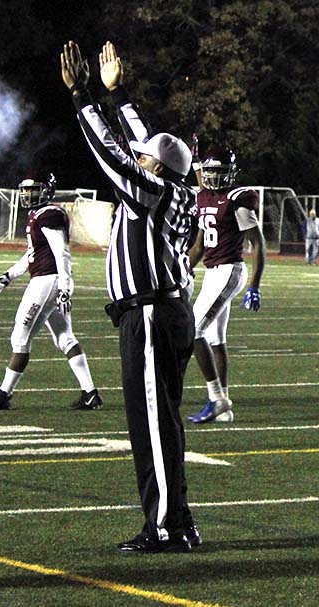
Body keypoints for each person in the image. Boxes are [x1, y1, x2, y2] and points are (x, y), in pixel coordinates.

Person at [62, 40, 198, 553]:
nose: (137, 157)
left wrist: (82, 97)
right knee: (162, 422)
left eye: (145, 159)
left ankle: (164, 525)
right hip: (166, 310)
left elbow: (112, 153)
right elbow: (143, 143)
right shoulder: (171, 185)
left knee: (151, 426)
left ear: (156, 168)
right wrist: (118, 95)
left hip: (149, 314)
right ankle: (177, 519)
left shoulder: (151, 190)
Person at [0, 172, 102, 411]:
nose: (27, 195)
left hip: (47, 282)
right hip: (46, 279)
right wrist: (9, 275)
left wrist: (65, 287)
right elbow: (32, 253)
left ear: (47, 191)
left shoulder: (49, 215)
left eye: (33, 190)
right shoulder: (38, 215)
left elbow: (61, 252)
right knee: (64, 337)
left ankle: (4, 394)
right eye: (25, 190)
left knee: (20, 338)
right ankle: (90, 393)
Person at [185, 148, 265, 424]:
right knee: (215, 339)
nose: (215, 177)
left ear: (231, 173)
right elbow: (198, 245)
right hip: (212, 272)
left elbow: (258, 243)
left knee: (193, 330)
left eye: (221, 172)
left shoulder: (238, 199)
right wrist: (183, 268)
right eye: (211, 172)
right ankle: (225, 408)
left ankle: (217, 398)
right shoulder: (203, 196)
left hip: (230, 270)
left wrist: (255, 285)